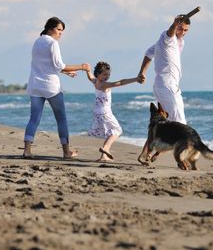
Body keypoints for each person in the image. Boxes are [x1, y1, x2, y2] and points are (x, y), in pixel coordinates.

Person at [23, 16, 90, 159]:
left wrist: (66, 72)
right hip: (51, 86)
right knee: (61, 119)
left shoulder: (37, 42)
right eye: (59, 30)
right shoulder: (53, 43)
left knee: (34, 118)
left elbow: (48, 65)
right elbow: (58, 65)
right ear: (50, 28)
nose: (61, 33)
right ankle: (66, 152)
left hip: (35, 85)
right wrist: (81, 67)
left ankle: (27, 150)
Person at [137, 14, 191, 124]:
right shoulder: (168, 38)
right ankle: (187, 141)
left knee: (168, 122)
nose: (183, 32)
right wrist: (175, 24)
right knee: (180, 123)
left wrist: (142, 72)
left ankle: (156, 141)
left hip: (162, 86)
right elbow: (170, 32)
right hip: (168, 86)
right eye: (180, 29)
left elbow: (149, 53)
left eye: (186, 30)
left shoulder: (178, 42)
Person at [84, 61, 142, 161]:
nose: (107, 77)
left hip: (97, 112)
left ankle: (104, 156)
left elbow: (90, 77)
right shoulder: (104, 84)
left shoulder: (95, 82)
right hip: (105, 112)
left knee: (110, 132)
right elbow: (120, 82)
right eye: (104, 74)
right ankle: (105, 148)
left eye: (108, 74)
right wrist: (136, 79)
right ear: (98, 74)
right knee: (117, 130)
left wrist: (87, 70)